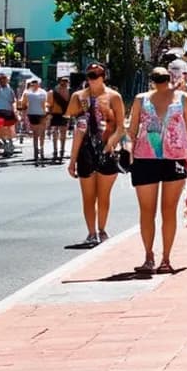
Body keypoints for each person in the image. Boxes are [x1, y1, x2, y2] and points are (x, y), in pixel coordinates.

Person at [125, 67, 187, 273]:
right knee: (147, 211)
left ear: (170, 78)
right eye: (158, 78)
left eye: (164, 78)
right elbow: (132, 130)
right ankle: (149, 256)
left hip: (174, 158)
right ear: (153, 81)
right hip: (145, 158)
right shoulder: (141, 99)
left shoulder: (183, 98)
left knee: (168, 210)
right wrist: (125, 148)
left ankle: (166, 258)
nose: (161, 81)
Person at [66, 62, 125, 246]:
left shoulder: (114, 96)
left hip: (107, 149)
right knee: (88, 196)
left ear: (103, 76)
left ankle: (102, 229)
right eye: (90, 74)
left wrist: (111, 144)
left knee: (104, 195)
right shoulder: (79, 97)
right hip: (86, 151)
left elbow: (121, 127)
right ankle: (91, 232)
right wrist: (72, 159)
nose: (93, 78)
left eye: (97, 74)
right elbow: (78, 130)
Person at [19, 78, 49, 165]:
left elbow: (45, 103)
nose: (34, 85)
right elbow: (23, 103)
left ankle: (41, 148)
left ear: (38, 84)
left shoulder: (43, 92)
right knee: (36, 133)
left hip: (41, 114)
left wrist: (46, 112)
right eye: (33, 84)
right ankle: (36, 150)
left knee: (42, 132)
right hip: (32, 114)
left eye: (35, 83)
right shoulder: (27, 93)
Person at [0, 72, 17, 158]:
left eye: (4, 79)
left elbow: (13, 100)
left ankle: (9, 146)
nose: (3, 81)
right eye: (1, 79)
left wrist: (15, 111)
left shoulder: (10, 89)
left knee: (7, 129)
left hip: (7, 111)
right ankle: (5, 144)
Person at [48, 77, 72, 162]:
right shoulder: (54, 92)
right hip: (55, 113)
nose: (65, 83)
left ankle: (62, 149)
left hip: (65, 114)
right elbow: (49, 104)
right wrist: (49, 114)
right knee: (55, 132)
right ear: (60, 82)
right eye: (63, 81)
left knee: (63, 133)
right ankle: (55, 150)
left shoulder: (69, 91)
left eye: (66, 81)